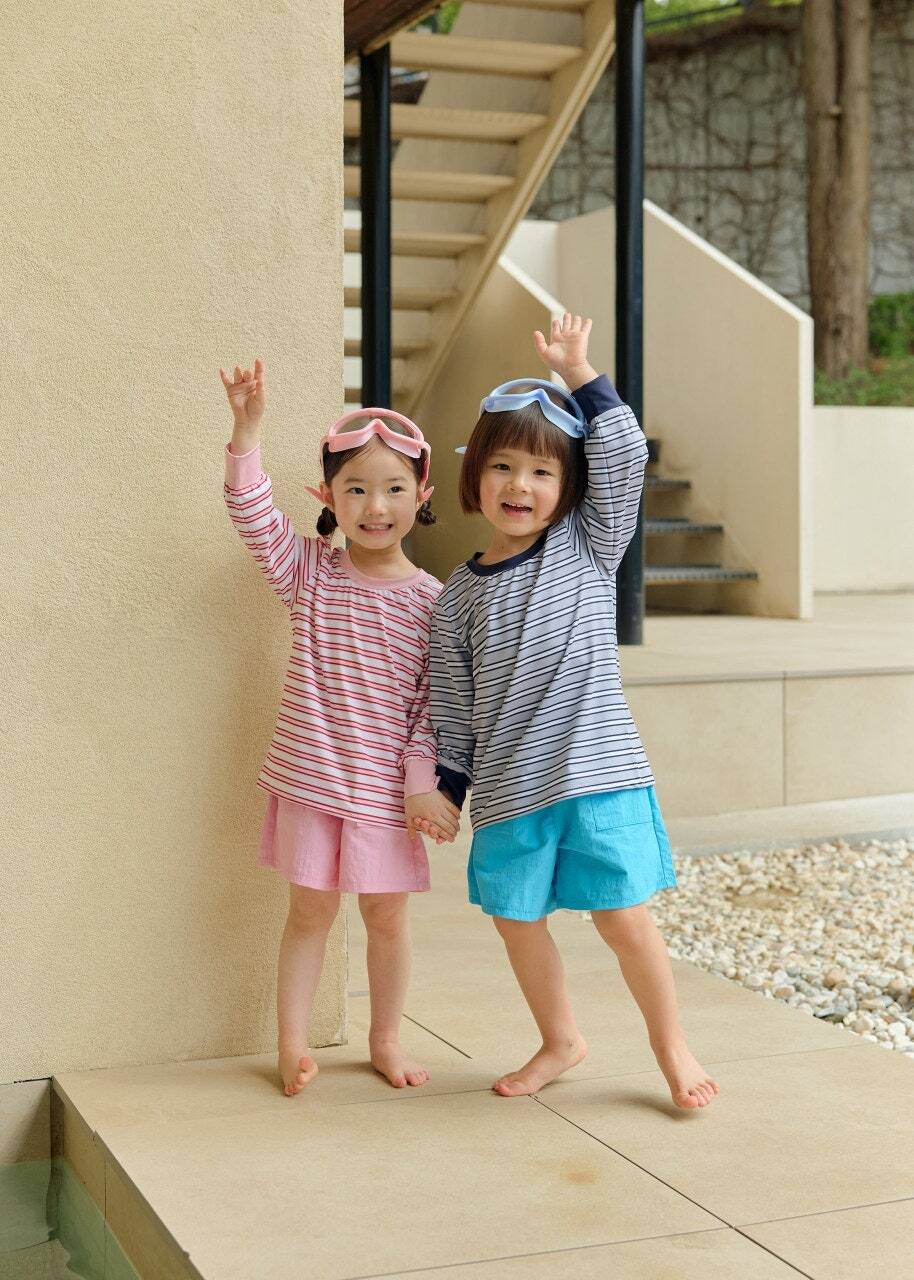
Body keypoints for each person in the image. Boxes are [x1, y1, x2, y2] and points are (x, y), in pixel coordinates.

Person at [412, 316, 720, 1109]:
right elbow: (453, 703)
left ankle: (671, 1044)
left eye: (542, 472)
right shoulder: (457, 597)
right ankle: (561, 1040)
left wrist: (581, 372)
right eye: (503, 466)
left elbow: (623, 452)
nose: (520, 485)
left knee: (622, 918)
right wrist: (448, 787)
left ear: (570, 486)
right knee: (516, 920)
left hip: (597, 775)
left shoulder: (589, 545)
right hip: (511, 790)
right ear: (475, 475)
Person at [221, 359, 460, 1095]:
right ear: (327, 498)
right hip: (311, 785)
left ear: (422, 495)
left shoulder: (435, 604)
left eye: (393, 488)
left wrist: (422, 787)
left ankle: (385, 1039)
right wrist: (247, 430)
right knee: (309, 914)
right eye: (355, 488)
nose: (375, 505)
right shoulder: (311, 575)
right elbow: (252, 514)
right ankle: (291, 1047)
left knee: (387, 918)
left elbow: (431, 710)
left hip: (387, 798)